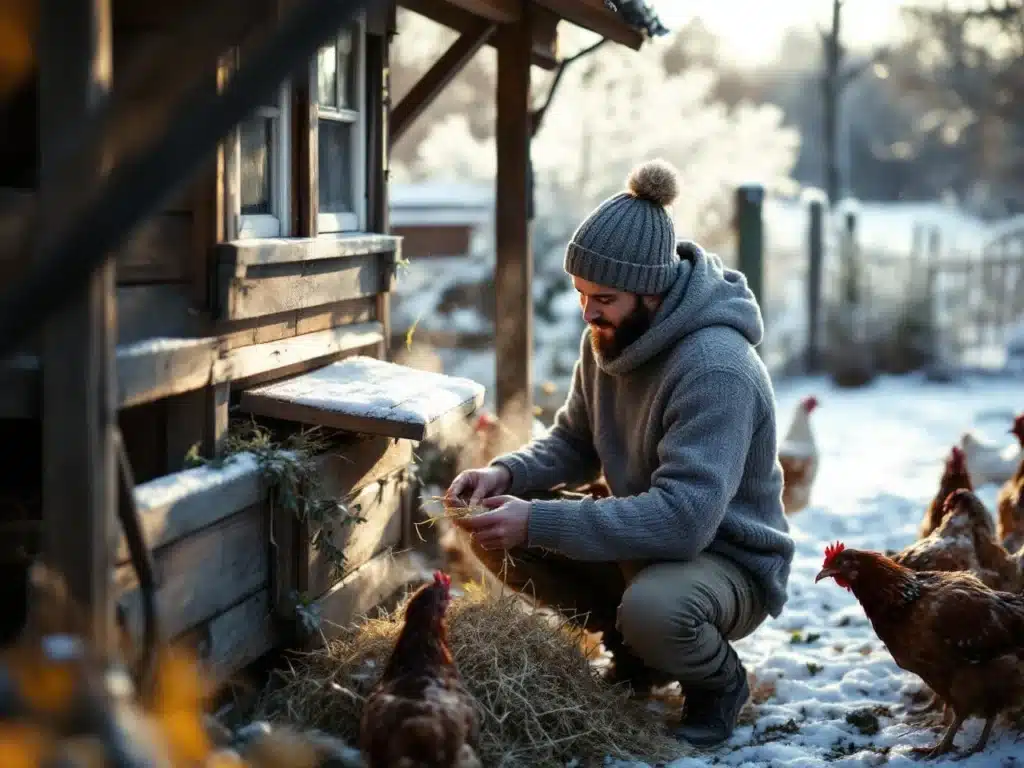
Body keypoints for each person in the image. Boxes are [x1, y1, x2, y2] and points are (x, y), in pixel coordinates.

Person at [445, 158, 795, 748]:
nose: (588, 312)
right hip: (646, 542)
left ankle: (717, 681)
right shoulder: (608, 338)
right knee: (490, 525)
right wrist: (504, 472)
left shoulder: (715, 368)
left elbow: (684, 521)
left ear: (652, 291)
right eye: (581, 294)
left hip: (724, 560)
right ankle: (633, 647)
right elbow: (575, 441)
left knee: (656, 608)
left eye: (602, 297)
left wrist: (539, 520)